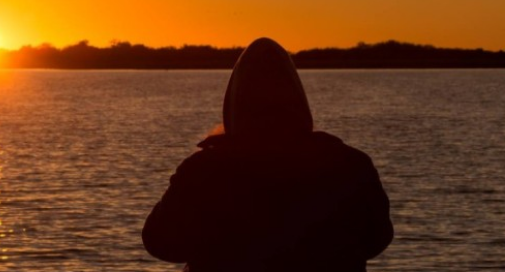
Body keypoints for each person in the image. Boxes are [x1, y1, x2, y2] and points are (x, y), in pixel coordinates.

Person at [142, 38, 393, 272]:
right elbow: (377, 239)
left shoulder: (202, 171)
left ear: (234, 104)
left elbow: (160, 243)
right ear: (299, 102)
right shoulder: (350, 165)